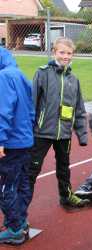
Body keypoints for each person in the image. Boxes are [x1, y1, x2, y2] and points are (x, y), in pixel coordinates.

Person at [28, 37, 89, 211]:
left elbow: (79, 108)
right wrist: (29, 128)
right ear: (54, 52)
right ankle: (20, 209)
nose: (66, 56)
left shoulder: (74, 79)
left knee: (64, 168)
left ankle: (66, 196)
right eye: (62, 52)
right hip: (42, 132)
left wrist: (82, 134)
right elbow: (32, 103)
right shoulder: (43, 73)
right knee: (32, 170)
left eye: (69, 53)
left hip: (64, 134)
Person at [0, 47, 34, 245]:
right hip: (24, 141)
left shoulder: (4, 77)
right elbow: (31, 110)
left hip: (11, 143)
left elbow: (3, 112)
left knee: (5, 187)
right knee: (22, 183)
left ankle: (14, 228)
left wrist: (1, 140)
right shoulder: (20, 74)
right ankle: (20, 220)